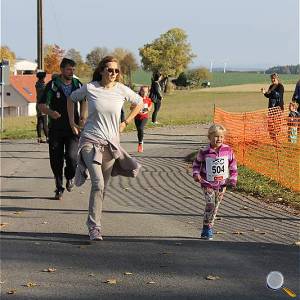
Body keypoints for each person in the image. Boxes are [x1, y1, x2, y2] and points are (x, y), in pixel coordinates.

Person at [67, 56, 143, 241]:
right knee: (98, 183)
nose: (113, 74)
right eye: (110, 70)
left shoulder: (121, 90)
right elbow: (71, 98)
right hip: (90, 142)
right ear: (101, 70)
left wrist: (126, 121)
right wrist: (72, 122)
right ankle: (94, 227)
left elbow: (140, 102)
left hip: (110, 144)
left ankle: (96, 223)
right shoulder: (91, 88)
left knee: (103, 187)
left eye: (116, 71)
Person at [39, 58, 87, 200]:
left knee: (72, 157)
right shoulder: (53, 85)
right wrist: (50, 113)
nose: (72, 72)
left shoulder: (77, 84)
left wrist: (83, 117)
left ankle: (70, 176)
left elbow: (85, 100)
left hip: (73, 129)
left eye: (73, 69)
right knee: (56, 160)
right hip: (56, 129)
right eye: (69, 69)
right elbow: (41, 105)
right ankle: (59, 188)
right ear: (61, 70)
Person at [192, 124, 238, 240]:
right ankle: (207, 228)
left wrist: (233, 178)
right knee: (210, 204)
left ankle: (209, 226)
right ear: (209, 137)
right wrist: (196, 174)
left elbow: (233, 165)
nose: (219, 139)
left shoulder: (228, 150)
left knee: (216, 206)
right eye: (216, 136)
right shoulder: (204, 151)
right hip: (207, 182)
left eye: (221, 137)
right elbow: (196, 164)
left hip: (222, 184)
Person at [261, 73, 284, 140]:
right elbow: (268, 95)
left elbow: (278, 95)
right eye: (272, 78)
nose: (273, 79)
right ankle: (273, 139)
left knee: (277, 125)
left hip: (278, 108)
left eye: (274, 78)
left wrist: (271, 92)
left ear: (277, 78)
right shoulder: (271, 86)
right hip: (271, 108)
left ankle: (278, 139)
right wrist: (264, 92)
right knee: (270, 124)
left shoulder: (280, 86)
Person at [131, 86, 152, 153]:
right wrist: (135, 107)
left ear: (148, 92)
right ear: (140, 91)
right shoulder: (137, 99)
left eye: (146, 91)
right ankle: (140, 141)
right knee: (139, 131)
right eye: (143, 91)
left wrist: (148, 109)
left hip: (144, 117)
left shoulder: (148, 99)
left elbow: (150, 105)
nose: (144, 93)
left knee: (140, 128)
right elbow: (131, 108)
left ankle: (140, 143)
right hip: (137, 117)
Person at [35, 71, 49, 143]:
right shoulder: (43, 86)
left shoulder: (37, 84)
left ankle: (39, 137)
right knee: (44, 122)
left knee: (39, 121)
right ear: (43, 78)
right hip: (43, 105)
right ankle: (47, 137)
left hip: (38, 104)